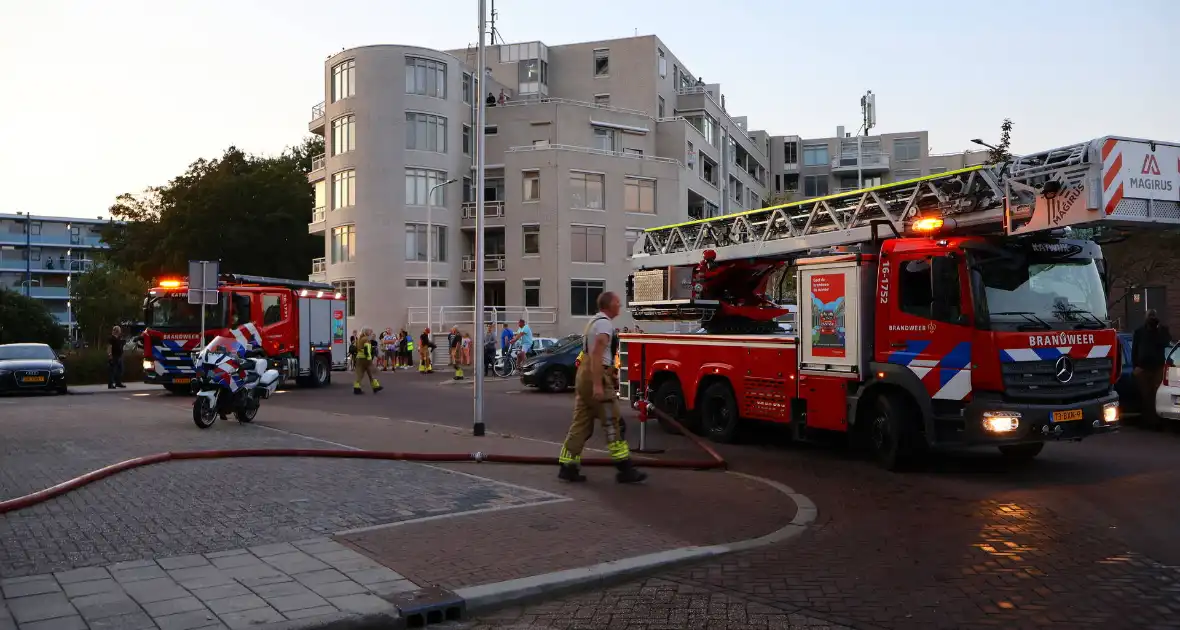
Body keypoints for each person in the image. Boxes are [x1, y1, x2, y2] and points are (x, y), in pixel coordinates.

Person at [558, 292, 646, 484]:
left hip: (584, 375)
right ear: (608, 305)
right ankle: (624, 468)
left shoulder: (593, 322)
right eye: (617, 302)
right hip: (595, 376)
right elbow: (598, 354)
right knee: (612, 420)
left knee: (581, 422)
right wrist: (599, 384)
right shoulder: (605, 324)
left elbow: (591, 353)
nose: (620, 305)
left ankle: (567, 465)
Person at [1133, 309, 1173, 429]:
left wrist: (1158, 329)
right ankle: (1147, 421)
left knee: (1156, 394)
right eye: (1149, 316)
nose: (1151, 319)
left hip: (1158, 368)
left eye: (1153, 317)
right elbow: (1134, 350)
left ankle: (1157, 422)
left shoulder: (1162, 331)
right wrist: (1135, 367)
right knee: (1145, 395)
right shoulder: (1139, 332)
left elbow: (1166, 343)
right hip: (1143, 369)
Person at [353, 328, 382, 394]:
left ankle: (375, 386)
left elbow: (356, 347)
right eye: (369, 331)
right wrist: (369, 359)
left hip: (359, 358)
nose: (370, 333)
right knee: (368, 372)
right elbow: (367, 349)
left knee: (362, 373)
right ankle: (374, 386)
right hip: (365, 359)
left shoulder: (359, 339)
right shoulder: (366, 339)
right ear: (366, 332)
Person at [107, 325, 126, 389]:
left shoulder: (118, 338)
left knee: (120, 370)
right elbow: (109, 347)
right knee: (112, 371)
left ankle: (118, 383)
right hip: (114, 356)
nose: (119, 332)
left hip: (119, 356)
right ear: (116, 331)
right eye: (119, 330)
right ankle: (110, 384)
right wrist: (110, 355)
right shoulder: (111, 338)